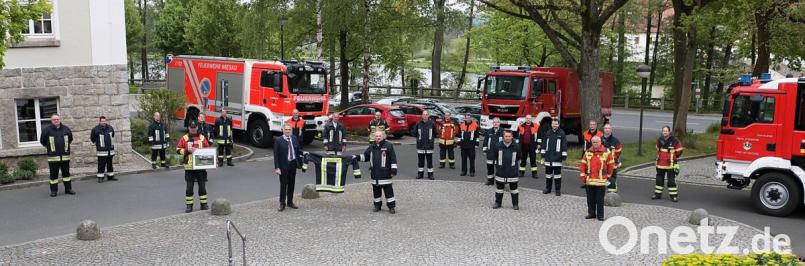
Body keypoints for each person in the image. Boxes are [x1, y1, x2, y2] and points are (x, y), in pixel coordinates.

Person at [356, 131, 398, 214]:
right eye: (376, 136)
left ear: (383, 137)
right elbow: (365, 156)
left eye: (380, 136)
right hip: (375, 174)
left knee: (388, 192)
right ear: (374, 137)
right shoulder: (372, 146)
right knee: (376, 192)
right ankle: (377, 206)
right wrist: (356, 157)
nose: (378, 137)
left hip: (385, 173)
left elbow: (393, 158)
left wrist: (393, 169)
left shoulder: (388, 146)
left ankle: (391, 207)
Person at [176, 121, 211, 213]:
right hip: (189, 167)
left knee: (202, 187)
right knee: (189, 188)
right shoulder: (185, 138)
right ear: (189, 128)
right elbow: (178, 150)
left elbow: (208, 149)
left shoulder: (202, 138)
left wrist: (199, 150)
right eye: (191, 128)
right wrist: (186, 150)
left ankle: (204, 204)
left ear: (197, 128)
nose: (193, 129)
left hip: (200, 167)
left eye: (194, 128)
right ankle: (189, 206)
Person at [579, 136, 615, 221]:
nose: (595, 144)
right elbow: (582, 164)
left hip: (601, 181)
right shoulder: (588, 152)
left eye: (596, 142)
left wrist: (608, 176)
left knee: (600, 200)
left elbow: (611, 165)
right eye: (593, 142)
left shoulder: (606, 152)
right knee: (590, 199)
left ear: (600, 142)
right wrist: (583, 176)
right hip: (589, 180)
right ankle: (591, 213)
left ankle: (600, 215)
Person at [40, 114, 74, 197]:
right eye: (54, 119)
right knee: (53, 176)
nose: (56, 120)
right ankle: (54, 191)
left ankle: (68, 189)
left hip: (65, 157)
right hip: (53, 158)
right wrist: (50, 148)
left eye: (57, 119)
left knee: (66, 175)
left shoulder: (66, 129)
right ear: (51, 120)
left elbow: (70, 139)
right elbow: (43, 141)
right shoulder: (47, 130)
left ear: (60, 120)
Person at [274, 124, 303, 211]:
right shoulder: (278, 140)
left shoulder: (294, 138)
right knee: (283, 185)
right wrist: (277, 167)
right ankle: (282, 203)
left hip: (293, 164)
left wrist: (304, 154)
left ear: (291, 130)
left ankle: (290, 202)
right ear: (283, 130)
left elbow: (297, 151)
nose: (287, 131)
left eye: (289, 129)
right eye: (286, 129)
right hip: (283, 166)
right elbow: (276, 155)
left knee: (291, 184)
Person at [491, 130, 521, 210]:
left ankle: (515, 204)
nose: (507, 138)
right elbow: (495, 157)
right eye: (506, 136)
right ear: (503, 137)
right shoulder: (498, 146)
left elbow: (519, 157)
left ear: (512, 137)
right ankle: (498, 203)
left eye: (509, 136)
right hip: (501, 171)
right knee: (499, 189)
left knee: (514, 189)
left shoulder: (516, 146)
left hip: (512, 171)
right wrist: (498, 166)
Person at [653, 126, 683, 202]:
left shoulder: (674, 140)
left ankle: (673, 196)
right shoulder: (659, 140)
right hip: (660, 164)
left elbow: (679, 151)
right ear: (662, 132)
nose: (665, 132)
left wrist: (674, 157)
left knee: (671, 181)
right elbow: (658, 149)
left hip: (671, 164)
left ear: (669, 132)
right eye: (664, 131)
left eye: (666, 131)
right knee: (659, 180)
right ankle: (657, 194)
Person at [540, 118, 567, 196]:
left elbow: (564, 144)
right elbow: (544, 143)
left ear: (558, 125)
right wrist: (543, 154)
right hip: (548, 158)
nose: (554, 125)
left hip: (557, 158)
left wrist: (564, 155)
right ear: (551, 125)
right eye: (553, 124)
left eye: (556, 124)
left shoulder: (561, 133)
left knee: (557, 176)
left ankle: (557, 190)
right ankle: (548, 189)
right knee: (548, 175)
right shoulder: (548, 133)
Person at [90, 116, 117, 183]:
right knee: (101, 164)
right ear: (99, 121)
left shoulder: (110, 128)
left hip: (110, 150)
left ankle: (110, 176)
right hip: (101, 151)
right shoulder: (95, 129)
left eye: (104, 121)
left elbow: (112, 135)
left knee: (110, 164)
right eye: (102, 121)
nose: (104, 122)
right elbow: (92, 138)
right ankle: (100, 177)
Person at [413, 111, 437, 179]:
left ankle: (430, 174)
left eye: (426, 114)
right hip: (420, 145)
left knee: (430, 161)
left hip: (429, 146)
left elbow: (435, 133)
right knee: (420, 162)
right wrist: (419, 139)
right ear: (422, 115)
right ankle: (420, 174)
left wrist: (431, 140)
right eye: (424, 114)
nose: (425, 116)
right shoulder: (418, 123)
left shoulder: (432, 123)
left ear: (428, 116)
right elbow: (414, 133)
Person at [601, 123, 623, 193]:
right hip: (602, 164)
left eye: (608, 128)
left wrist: (614, 159)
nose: (607, 130)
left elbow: (618, 152)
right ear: (603, 130)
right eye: (605, 128)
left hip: (612, 164)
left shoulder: (615, 141)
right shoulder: (600, 140)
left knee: (612, 178)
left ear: (611, 130)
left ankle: (612, 193)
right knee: (601, 178)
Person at [483, 118, 503, 185]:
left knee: (499, 169)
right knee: (490, 168)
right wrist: (485, 150)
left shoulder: (503, 132)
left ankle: (499, 182)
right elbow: (485, 141)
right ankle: (490, 181)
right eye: (494, 122)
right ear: (492, 123)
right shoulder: (489, 131)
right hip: (490, 153)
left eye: (497, 122)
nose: (495, 123)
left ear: (499, 123)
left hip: (499, 154)